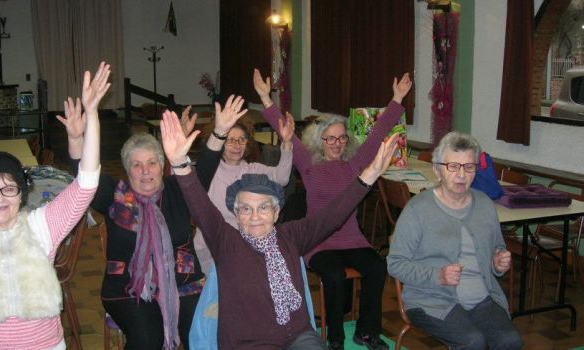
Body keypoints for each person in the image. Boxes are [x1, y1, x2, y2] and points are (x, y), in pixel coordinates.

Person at [160, 109, 399, 350]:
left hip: (299, 337)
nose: (255, 216)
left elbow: (332, 215)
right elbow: (199, 205)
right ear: (236, 214)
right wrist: (180, 164)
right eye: (245, 209)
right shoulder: (226, 242)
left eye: (263, 207)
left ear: (276, 214)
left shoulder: (290, 236)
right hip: (250, 344)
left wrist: (368, 176)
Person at [0, 62, 109, 349]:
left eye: (9, 188)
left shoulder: (42, 227)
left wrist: (92, 114)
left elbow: (87, 183)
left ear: (21, 195)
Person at [61, 93, 247, 349]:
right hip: (127, 288)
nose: (145, 171)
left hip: (184, 282)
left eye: (152, 163)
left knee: (204, 335)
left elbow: (204, 166)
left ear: (163, 165)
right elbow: (85, 175)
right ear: (127, 170)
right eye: (137, 165)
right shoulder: (117, 196)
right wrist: (76, 138)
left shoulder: (179, 189)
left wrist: (220, 131)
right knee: (148, 340)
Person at [253, 69, 412, 350]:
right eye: (330, 139)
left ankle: (367, 332)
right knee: (335, 275)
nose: (337, 144)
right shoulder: (309, 164)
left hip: (352, 239)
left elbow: (377, 135)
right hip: (319, 241)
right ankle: (335, 338)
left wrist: (397, 98)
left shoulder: (355, 164)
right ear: (319, 141)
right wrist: (266, 99)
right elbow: (284, 129)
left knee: (377, 267)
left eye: (341, 138)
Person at [387, 131, 523, 349]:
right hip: (431, 299)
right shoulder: (417, 210)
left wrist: (497, 263)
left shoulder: (485, 205)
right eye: (453, 166)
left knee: (510, 341)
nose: (461, 174)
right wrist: (437, 276)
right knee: (472, 341)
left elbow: (497, 248)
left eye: (469, 167)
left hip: (482, 298)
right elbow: (395, 264)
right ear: (437, 170)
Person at [193, 112, 295, 276]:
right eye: (231, 140)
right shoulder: (208, 171)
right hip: (213, 242)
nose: (237, 145)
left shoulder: (253, 169)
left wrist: (287, 142)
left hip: (247, 241)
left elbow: (282, 178)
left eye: (241, 140)